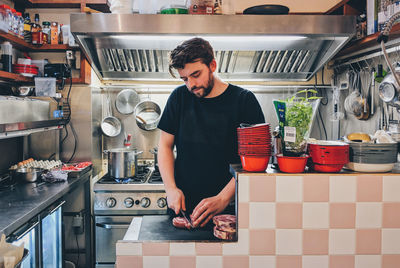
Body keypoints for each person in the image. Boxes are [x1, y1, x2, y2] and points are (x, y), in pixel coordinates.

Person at [157, 37, 265, 228]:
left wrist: (223, 198)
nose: (190, 85)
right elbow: (165, 146)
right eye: (184, 79)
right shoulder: (178, 98)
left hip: (230, 209)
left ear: (212, 65)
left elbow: (256, 158)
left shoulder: (244, 101)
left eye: (196, 74)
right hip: (184, 209)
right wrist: (171, 189)